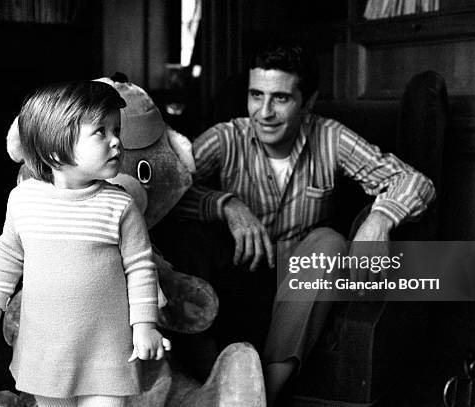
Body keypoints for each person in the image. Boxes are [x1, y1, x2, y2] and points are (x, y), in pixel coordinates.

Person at [171, 43, 436, 405]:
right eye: (256, 95)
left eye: (280, 98)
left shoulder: (330, 136)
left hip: (297, 273)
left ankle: (264, 398)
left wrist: (380, 218)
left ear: (307, 103)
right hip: (231, 268)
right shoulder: (226, 137)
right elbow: (164, 194)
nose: (264, 112)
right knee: (186, 240)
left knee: (329, 242)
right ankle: (206, 387)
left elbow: (416, 182)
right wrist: (226, 205)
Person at [0, 80, 171, 407]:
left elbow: (140, 267)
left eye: (117, 130)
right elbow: (8, 253)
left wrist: (144, 325)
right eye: (101, 132)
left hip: (106, 349)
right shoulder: (23, 200)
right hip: (47, 349)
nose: (117, 142)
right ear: (53, 147)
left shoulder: (119, 205)